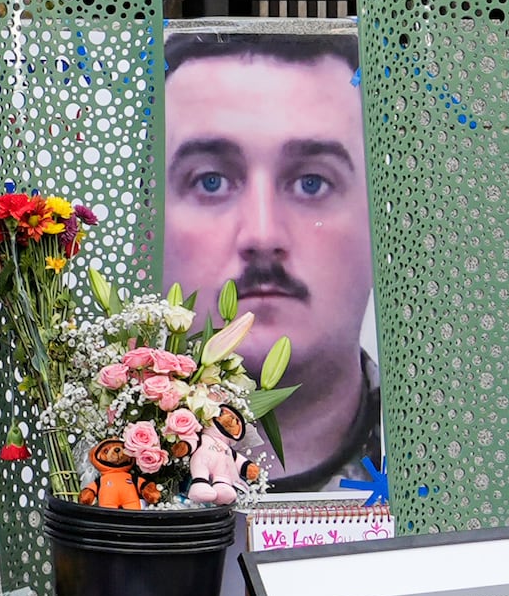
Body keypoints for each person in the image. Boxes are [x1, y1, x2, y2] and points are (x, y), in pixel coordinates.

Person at [160, 29, 380, 492]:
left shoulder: (443, 463)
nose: (262, 235)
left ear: (382, 220)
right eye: (211, 181)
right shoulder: (101, 460)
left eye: (312, 183)